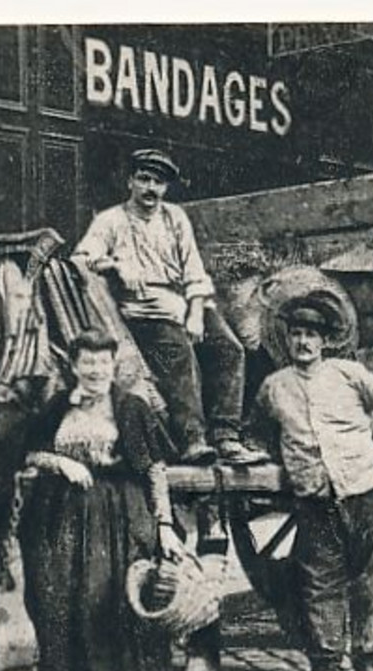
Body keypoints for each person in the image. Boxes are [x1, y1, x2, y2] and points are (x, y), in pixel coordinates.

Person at [16, 328, 186, 671]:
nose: (95, 370)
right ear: (74, 366)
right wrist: (58, 462)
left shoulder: (130, 408)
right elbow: (30, 452)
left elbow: (153, 470)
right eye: (87, 362)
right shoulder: (58, 406)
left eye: (103, 362)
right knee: (75, 607)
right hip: (68, 522)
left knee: (116, 607)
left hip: (121, 518)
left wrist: (164, 525)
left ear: (114, 365)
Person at [251, 294, 373, 671]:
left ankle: (368, 660)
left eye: (311, 335)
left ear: (324, 341)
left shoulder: (347, 374)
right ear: (286, 340)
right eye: (296, 334)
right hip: (314, 495)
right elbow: (259, 430)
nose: (303, 342)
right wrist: (287, 460)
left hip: (364, 487)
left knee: (372, 577)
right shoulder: (274, 387)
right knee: (319, 579)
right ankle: (325, 666)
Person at [71, 148, 263, 467]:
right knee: (178, 353)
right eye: (144, 179)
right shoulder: (111, 221)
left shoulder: (175, 218)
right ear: (130, 181)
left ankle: (226, 435)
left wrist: (197, 312)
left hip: (183, 302)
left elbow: (194, 271)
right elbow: (81, 258)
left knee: (229, 348)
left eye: (158, 183)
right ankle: (192, 439)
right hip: (144, 312)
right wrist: (115, 264)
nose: (151, 189)